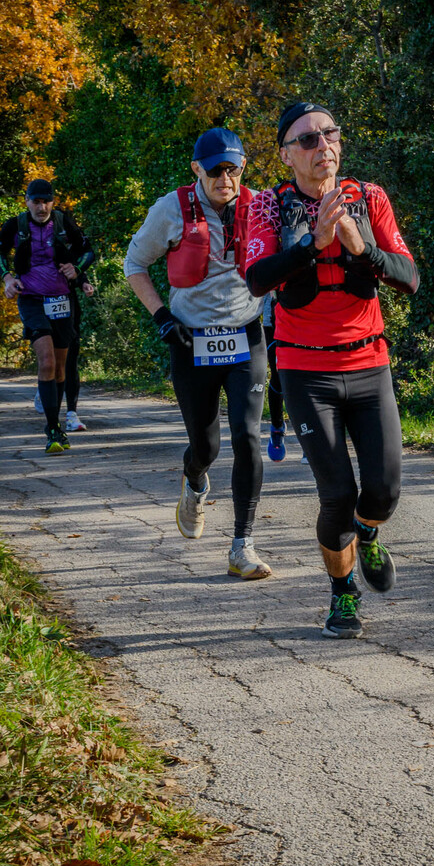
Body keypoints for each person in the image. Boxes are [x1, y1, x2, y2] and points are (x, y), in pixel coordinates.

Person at [245, 102, 420, 637]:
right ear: (286, 155)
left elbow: (409, 277)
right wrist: (311, 244)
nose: (322, 145)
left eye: (330, 134)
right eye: (307, 139)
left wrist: (360, 247)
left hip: (369, 363)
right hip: (305, 370)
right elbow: (257, 278)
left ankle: (368, 534)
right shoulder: (267, 206)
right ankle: (342, 594)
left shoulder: (369, 197)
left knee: (384, 491)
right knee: (337, 494)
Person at [124, 127, 272, 580]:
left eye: (233, 169)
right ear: (196, 169)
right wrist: (161, 317)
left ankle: (243, 545)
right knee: (206, 446)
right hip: (192, 342)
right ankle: (194, 483)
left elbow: (282, 265)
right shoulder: (170, 209)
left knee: (248, 436)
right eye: (215, 171)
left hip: (246, 337)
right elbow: (135, 264)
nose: (225, 179)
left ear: (242, 167)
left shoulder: (261, 207)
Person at [0, 178, 96, 454]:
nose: (41, 207)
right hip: (32, 299)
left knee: (60, 367)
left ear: (52, 201)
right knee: (47, 361)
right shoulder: (15, 225)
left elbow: (88, 251)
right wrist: (7, 278)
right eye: (36, 202)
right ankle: (52, 429)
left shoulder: (63, 222)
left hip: (62, 300)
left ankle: (57, 424)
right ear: (27, 202)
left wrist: (77, 269)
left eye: (46, 201)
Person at [34, 277, 94, 431]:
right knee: (49, 359)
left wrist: (83, 282)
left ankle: (71, 414)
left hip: (66, 302)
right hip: (38, 301)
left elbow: (74, 267)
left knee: (70, 359)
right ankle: (46, 386)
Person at [263, 292, 287, 461]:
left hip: (306, 315)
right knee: (278, 374)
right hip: (273, 317)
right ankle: (277, 427)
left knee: (304, 376)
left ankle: (309, 434)